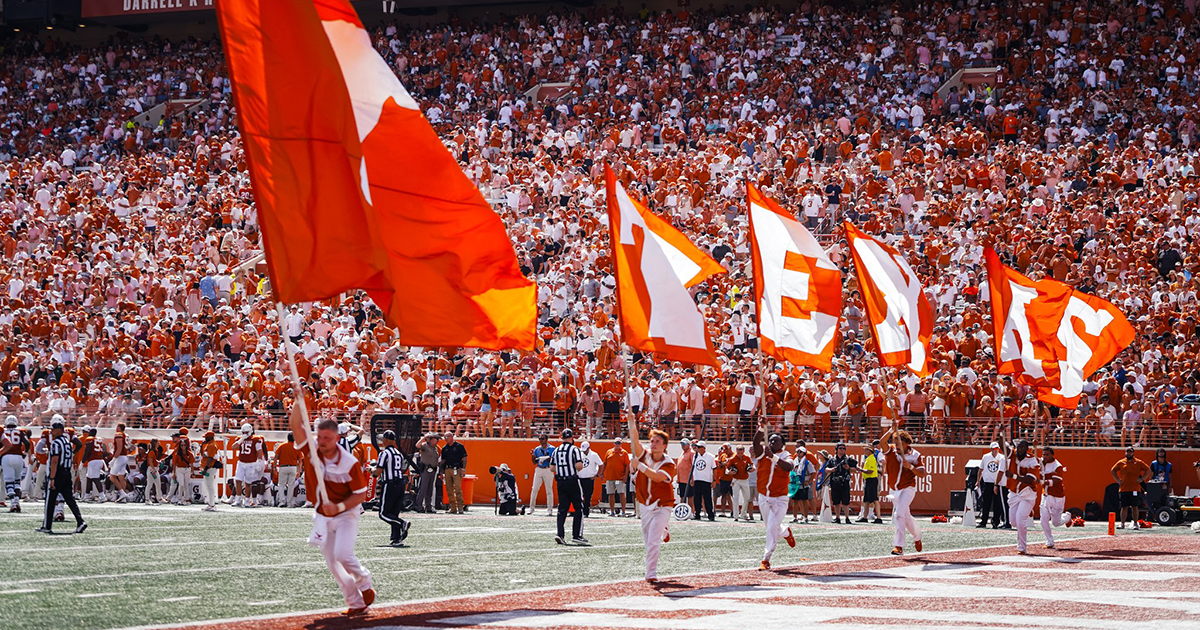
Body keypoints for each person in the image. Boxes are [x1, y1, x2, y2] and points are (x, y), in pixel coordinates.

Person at [292, 408, 375, 617]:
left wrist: (337, 507)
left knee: (342, 555)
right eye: (319, 437)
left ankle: (364, 581)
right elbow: (296, 426)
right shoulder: (312, 451)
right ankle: (355, 602)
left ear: (337, 438)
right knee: (332, 563)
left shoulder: (349, 462)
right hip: (322, 515)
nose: (322, 441)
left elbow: (360, 495)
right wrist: (296, 400)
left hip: (346, 513)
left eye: (327, 438)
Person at [627, 411, 676, 582]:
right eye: (652, 441)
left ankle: (651, 574)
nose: (653, 444)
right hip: (645, 503)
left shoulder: (669, 463)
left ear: (665, 446)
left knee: (653, 541)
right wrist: (632, 423)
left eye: (658, 442)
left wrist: (639, 466)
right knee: (648, 540)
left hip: (663, 504)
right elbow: (635, 441)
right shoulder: (645, 455)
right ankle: (663, 528)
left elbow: (656, 477)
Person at [751, 420, 796, 570]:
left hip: (780, 498)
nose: (772, 442)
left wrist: (774, 457)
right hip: (764, 496)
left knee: (771, 527)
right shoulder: (763, 452)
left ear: (782, 444)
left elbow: (788, 467)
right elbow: (756, 443)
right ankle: (785, 531)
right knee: (771, 526)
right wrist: (761, 427)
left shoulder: (786, 455)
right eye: (770, 440)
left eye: (775, 440)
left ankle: (766, 559)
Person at [38, 417, 87, 535]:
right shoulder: (67, 443)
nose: (52, 431)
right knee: (70, 500)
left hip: (58, 474)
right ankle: (80, 521)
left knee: (50, 500)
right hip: (67, 473)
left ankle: (46, 526)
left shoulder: (56, 443)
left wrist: (52, 478)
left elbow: (54, 461)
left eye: (54, 429)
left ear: (59, 430)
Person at [881, 427, 924, 555]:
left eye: (900, 443)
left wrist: (910, 467)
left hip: (908, 488)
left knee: (898, 514)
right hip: (894, 489)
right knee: (906, 517)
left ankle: (898, 546)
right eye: (895, 442)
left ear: (906, 443)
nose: (897, 446)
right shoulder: (891, 451)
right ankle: (917, 537)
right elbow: (882, 442)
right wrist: (891, 430)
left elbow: (922, 473)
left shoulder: (915, 455)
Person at [998, 432, 1039, 554]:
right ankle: (1028, 512)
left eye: (1023, 447)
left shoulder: (1032, 460)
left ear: (1027, 449)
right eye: (1018, 447)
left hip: (1027, 493)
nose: (1020, 449)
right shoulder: (1013, 455)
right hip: (1014, 492)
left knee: (1020, 521)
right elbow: (1003, 447)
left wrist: (1014, 476)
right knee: (1013, 522)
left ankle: (1021, 547)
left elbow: (1030, 479)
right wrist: (1001, 434)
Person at [372, 430, 411, 546]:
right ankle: (397, 539)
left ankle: (402, 523)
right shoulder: (398, 453)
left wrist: (371, 470)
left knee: (383, 513)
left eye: (383, 439)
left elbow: (378, 472)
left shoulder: (384, 453)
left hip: (390, 483)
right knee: (394, 512)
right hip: (400, 483)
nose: (382, 441)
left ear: (386, 440)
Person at [552, 428, 586, 545]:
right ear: (571, 438)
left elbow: (552, 468)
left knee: (562, 509)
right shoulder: (574, 449)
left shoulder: (556, 450)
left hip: (560, 482)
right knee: (578, 507)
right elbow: (579, 465)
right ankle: (577, 535)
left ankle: (560, 534)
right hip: (572, 480)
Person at [1111, 447, 1150, 529]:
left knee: (1135, 506)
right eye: (1127, 452)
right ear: (1125, 453)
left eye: (1130, 452)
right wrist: (1117, 480)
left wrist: (1142, 479)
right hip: (1124, 488)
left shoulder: (1138, 462)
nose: (1129, 454)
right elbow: (1113, 470)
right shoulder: (1121, 462)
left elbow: (1148, 470)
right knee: (1124, 507)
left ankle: (1135, 523)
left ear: (1133, 453)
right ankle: (1122, 524)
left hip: (1134, 488)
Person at [1039, 447, 1070, 549]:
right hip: (1045, 496)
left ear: (1052, 455)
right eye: (1043, 454)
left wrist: (1042, 482)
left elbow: (1055, 481)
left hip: (1057, 497)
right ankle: (1049, 541)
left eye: (1047, 455)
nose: (1045, 457)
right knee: (1043, 520)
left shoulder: (1057, 466)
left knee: (1056, 523)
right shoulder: (1041, 462)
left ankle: (1067, 517)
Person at [233, 423, 268, 507]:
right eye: (243, 432)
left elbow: (259, 451)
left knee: (248, 482)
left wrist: (259, 461)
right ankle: (238, 499)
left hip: (251, 463)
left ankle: (247, 500)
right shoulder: (239, 439)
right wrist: (241, 440)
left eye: (246, 432)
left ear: (250, 431)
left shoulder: (256, 439)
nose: (244, 434)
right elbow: (233, 447)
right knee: (238, 480)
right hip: (241, 462)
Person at [977, 441, 1006, 529]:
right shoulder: (986, 457)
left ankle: (995, 522)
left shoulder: (1001, 457)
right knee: (986, 503)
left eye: (997, 449)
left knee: (997, 504)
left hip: (997, 483)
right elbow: (980, 469)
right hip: (988, 483)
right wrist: (978, 480)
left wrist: (997, 484)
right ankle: (984, 521)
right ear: (991, 449)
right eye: (994, 449)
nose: (996, 451)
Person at [827, 443, 857, 524]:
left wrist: (849, 468)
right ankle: (837, 517)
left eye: (844, 448)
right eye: (840, 448)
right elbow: (826, 468)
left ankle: (847, 518)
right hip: (835, 482)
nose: (842, 450)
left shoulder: (848, 459)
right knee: (836, 501)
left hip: (845, 482)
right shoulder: (832, 460)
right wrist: (831, 470)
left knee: (845, 501)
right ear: (836, 450)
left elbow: (855, 469)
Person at [2, 417, 26, 513]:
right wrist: (25, 453)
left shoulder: (3, 431)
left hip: (6, 457)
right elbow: (27, 443)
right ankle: (17, 501)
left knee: (9, 482)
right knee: (17, 481)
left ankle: (13, 503)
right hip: (18, 457)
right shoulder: (20, 431)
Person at [440, 432, 468, 514]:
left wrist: (463, 469)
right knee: (449, 489)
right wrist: (441, 472)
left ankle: (460, 507)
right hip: (447, 469)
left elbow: (465, 458)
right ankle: (453, 508)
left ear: (452, 437)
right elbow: (443, 461)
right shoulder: (444, 448)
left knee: (458, 488)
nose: (446, 438)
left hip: (457, 469)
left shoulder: (459, 446)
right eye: (444, 437)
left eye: (447, 436)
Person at [414, 433, 441, 513]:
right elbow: (417, 445)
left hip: (433, 470)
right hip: (426, 469)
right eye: (436, 439)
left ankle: (428, 506)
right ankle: (418, 506)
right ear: (431, 439)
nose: (437, 440)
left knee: (430, 489)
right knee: (423, 488)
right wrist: (424, 437)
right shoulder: (425, 446)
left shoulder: (436, 448)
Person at [603, 438, 630, 517]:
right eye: (616, 443)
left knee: (621, 493)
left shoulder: (624, 453)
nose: (617, 445)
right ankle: (612, 511)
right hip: (610, 477)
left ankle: (623, 511)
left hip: (619, 477)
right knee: (611, 494)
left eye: (619, 443)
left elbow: (627, 465)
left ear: (621, 444)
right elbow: (605, 463)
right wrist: (602, 473)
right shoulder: (609, 452)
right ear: (613, 443)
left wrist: (625, 476)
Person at [856, 442, 882, 523]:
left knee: (874, 499)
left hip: (872, 480)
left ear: (870, 451)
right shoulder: (869, 458)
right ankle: (865, 517)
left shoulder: (871, 459)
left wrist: (860, 469)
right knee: (866, 500)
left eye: (866, 449)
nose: (865, 451)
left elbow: (870, 471)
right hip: (869, 480)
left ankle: (878, 517)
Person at [529, 434, 556, 515]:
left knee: (549, 490)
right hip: (539, 469)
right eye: (539, 439)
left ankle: (550, 509)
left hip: (548, 469)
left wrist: (549, 459)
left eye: (542, 439)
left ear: (546, 439)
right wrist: (533, 456)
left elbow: (554, 460)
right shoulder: (537, 449)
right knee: (534, 489)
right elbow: (534, 462)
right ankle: (531, 508)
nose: (541, 440)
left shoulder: (552, 449)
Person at [168, 430, 195, 506]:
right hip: (179, 469)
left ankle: (185, 499)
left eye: (184, 445)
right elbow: (174, 463)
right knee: (181, 484)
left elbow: (191, 463)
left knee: (185, 485)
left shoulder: (188, 452)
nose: (183, 446)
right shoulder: (178, 452)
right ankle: (180, 498)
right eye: (182, 445)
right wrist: (174, 472)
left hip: (186, 469)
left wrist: (192, 472)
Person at [690, 441, 716, 521]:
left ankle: (710, 514)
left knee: (707, 498)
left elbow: (714, 469)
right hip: (697, 480)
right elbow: (693, 468)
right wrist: (692, 478)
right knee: (696, 498)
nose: (697, 449)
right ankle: (697, 513)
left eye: (699, 447)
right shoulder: (695, 456)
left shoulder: (710, 457)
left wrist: (714, 480)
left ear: (703, 448)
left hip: (706, 480)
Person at [275, 433, 302, 507]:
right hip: (293, 467)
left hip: (283, 467)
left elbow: (276, 456)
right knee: (291, 485)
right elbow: (300, 461)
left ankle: (282, 501)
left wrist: (274, 466)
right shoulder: (297, 447)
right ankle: (289, 503)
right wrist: (299, 471)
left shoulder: (282, 445)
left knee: (281, 485)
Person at [727, 445, 752, 521]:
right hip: (736, 480)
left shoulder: (747, 458)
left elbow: (751, 465)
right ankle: (736, 516)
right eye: (738, 451)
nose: (739, 452)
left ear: (743, 451)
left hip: (745, 479)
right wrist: (729, 472)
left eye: (741, 450)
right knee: (735, 497)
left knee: (747, 497)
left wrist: (752, 468)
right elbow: (727, 469)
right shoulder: (732, 459)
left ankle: (743, 513)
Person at [109, 423, 132, 503]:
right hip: (124, 457)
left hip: (119, 457)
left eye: (117, 427)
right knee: (121, 477)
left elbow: (119, 448)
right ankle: (124, 497)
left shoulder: (119, 434)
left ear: (119, 428)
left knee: (112, 477)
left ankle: (122, 493)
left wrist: (114, 459)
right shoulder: (126, 435)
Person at [577, 441, 602, 517]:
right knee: (579, 495)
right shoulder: (579, 454)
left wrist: (597, 475)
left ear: (589, 448)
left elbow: (601, 464)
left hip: (589, 479)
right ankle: (579, 510)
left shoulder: (594, 455)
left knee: (588, 496)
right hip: (580, 478)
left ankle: (586, 511)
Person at [199, 431, 221, 511]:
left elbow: (210, 458)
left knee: (210, 486)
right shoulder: (209, 444)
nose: (204, 439)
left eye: (206, 437)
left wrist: (205, 469)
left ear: (210, 437)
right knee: (208, 486)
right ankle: (211, 504)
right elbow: (203, 455)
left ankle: (211, 505)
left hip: (210, 467)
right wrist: (201, 446)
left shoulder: (211, 445)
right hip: (209, 467)